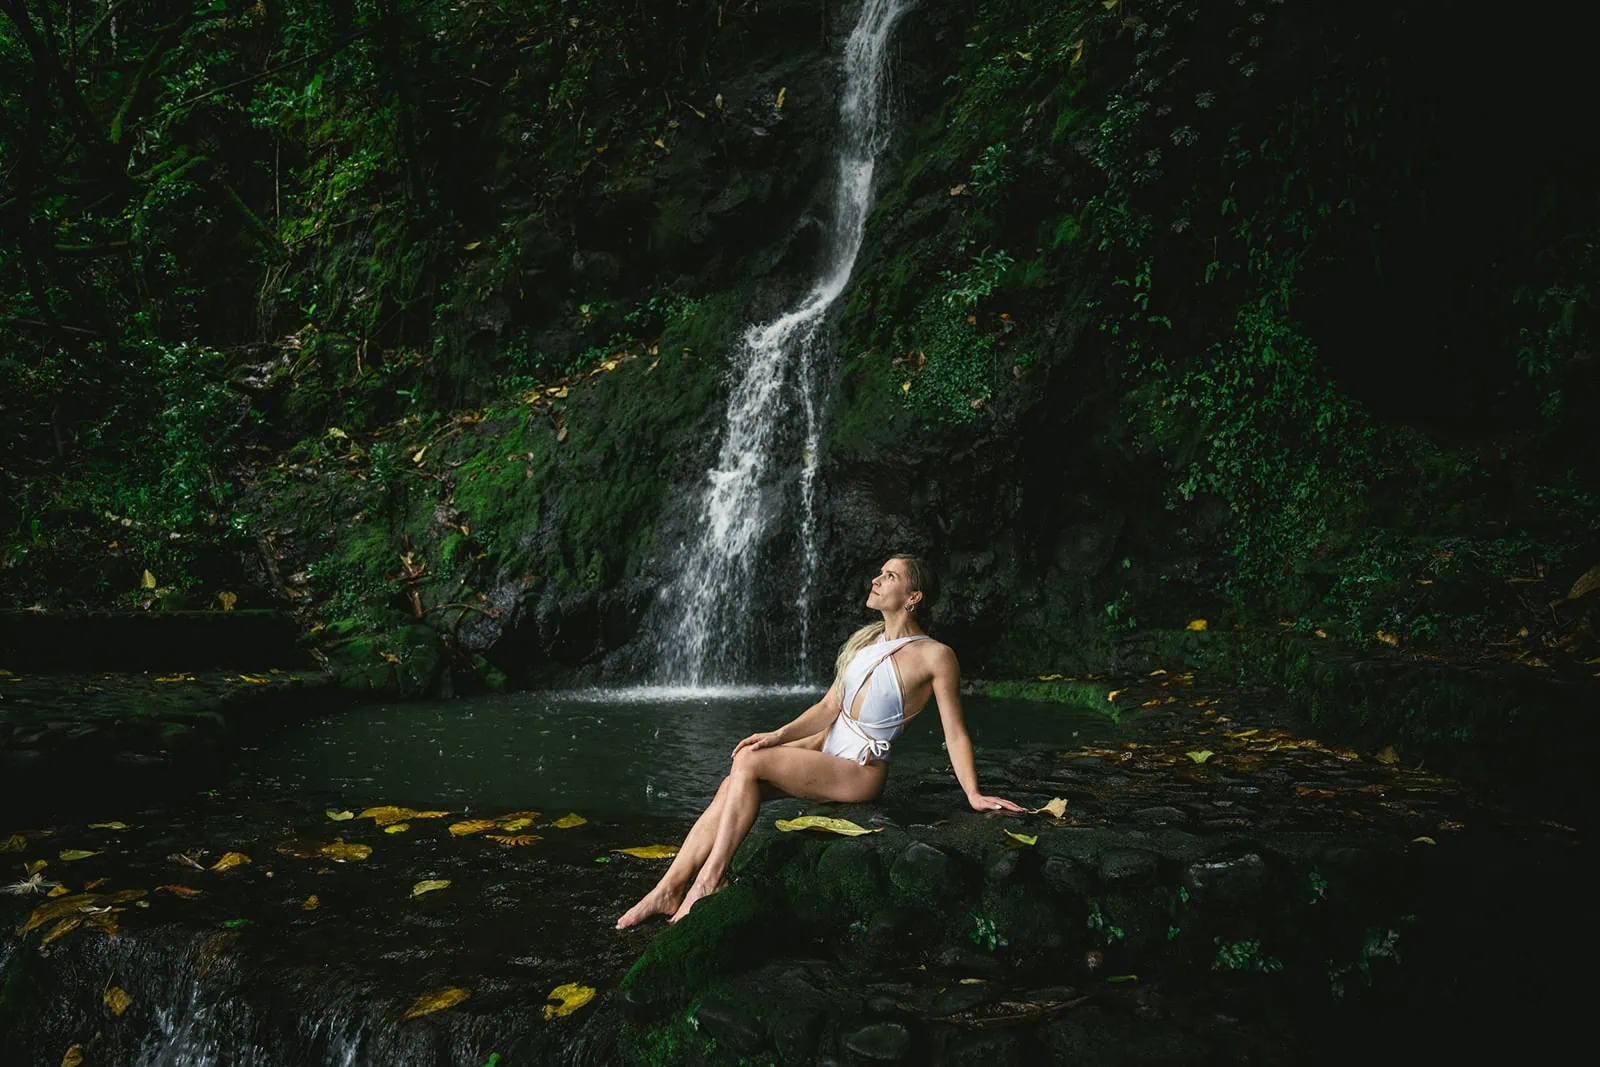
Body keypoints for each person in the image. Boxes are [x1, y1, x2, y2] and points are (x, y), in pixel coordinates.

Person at [617, 553, 1024, 929]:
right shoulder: (866, 642)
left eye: (890, 576)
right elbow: (830, 706)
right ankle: (668, 889)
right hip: (824, 747)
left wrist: (973, 794)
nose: (877, 580)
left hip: (859, 771)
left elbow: (955, 731)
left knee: (748, 765)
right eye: (880, 573)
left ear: (913, 596)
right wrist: (777, 736)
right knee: (737, 776)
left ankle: (710, 880)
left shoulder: (936, 656)